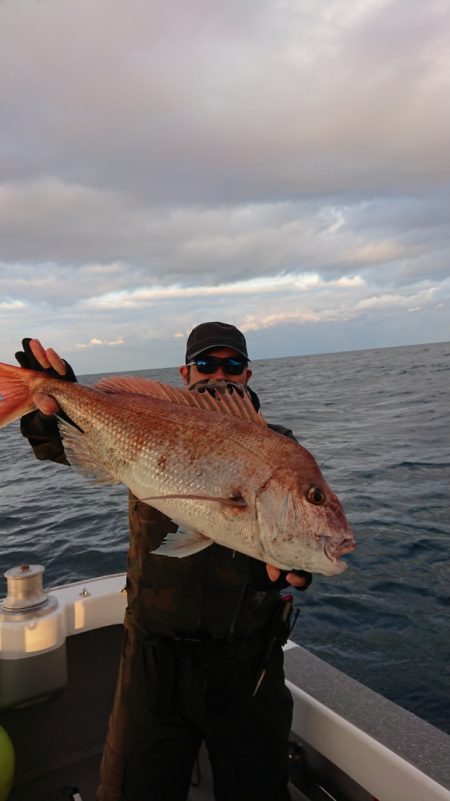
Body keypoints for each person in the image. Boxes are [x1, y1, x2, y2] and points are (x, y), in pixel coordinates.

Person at [16, 322, 312, 801]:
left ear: (249, 373)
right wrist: (56, 403)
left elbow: (300, 531)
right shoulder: (154, 420)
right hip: (152, 653)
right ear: (185, 372)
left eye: (233, 365)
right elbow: (59, 446)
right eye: (206, 364)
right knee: (132, 789)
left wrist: (295, 566)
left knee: (257, 789)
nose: (220, 374)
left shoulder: (279, 447)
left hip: (246, 661)